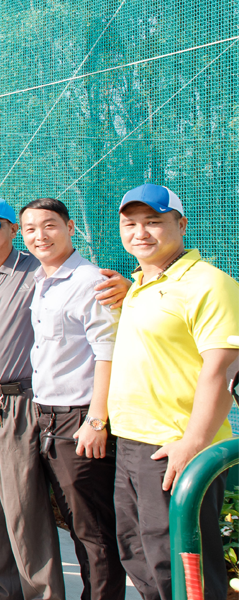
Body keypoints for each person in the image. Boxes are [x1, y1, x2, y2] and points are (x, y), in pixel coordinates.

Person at [0, 195, 129, 600]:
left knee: (25, 509)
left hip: (21, 402)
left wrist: (129, 286)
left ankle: (41, 593)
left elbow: (96, 293)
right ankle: (2, 589)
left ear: (13, 231)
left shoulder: (36, 271)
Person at [109, 184, 239, 600]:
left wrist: (193, 443)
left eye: (154, 222)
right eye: (130, 224)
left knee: (183, 566)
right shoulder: (140, 285)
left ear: (180, 225)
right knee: (140, 556)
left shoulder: (210, 284)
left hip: (176, 447)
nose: (140, 232)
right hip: (132, 441)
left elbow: (222, 371)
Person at [19, 197, 124, 600]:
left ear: (70, 227)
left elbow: (107, 351)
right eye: (30, 229)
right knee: (72, 521)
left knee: (92, 528)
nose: (39, 236)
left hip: (79, 419)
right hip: (44, 415)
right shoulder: (42, 281)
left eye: (49, 226)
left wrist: (97, 421)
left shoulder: (90, 281)